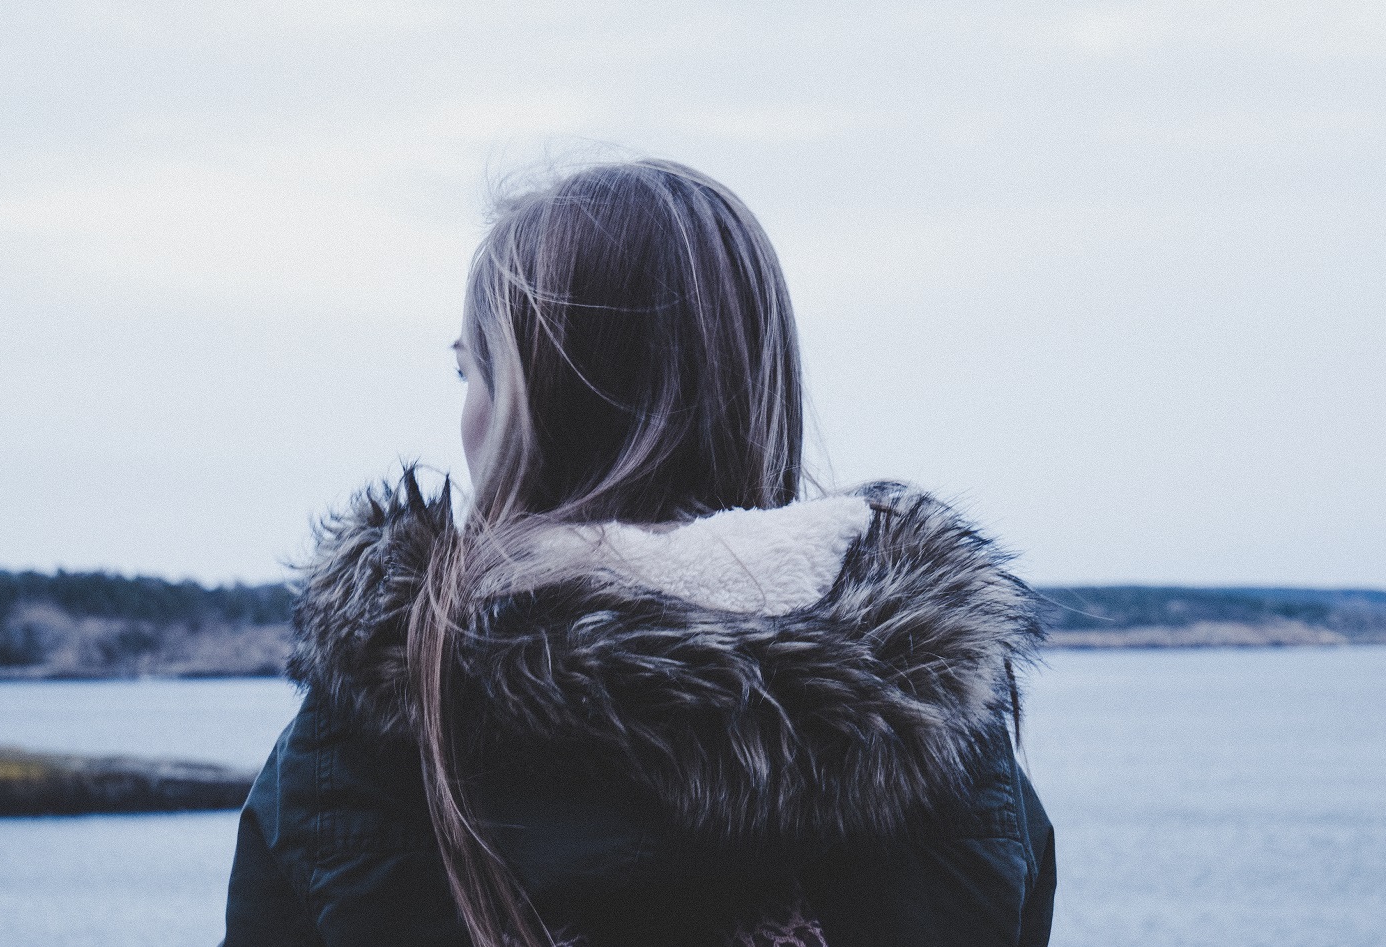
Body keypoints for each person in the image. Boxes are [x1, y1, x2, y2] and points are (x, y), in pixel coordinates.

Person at [221, 159, 1055, 947]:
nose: (466, 413)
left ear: (525, 409)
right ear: (756, 387)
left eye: (471, 372)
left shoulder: (390, 712)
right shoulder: (933, 727)